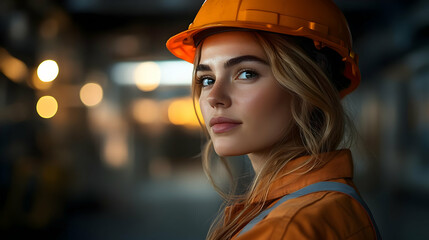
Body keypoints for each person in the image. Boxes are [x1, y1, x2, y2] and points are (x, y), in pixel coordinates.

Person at [166, 0, 381, 239]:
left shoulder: (284, 228)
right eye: (207, 79)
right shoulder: (332, 203)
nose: (214, 97)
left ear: (309, 86)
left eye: (247, 74)